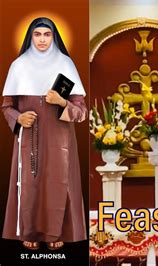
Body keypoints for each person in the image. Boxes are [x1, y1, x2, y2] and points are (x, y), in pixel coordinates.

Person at [1, 17, 87, 250]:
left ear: (53, 37)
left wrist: (60, 101)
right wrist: (18, 118)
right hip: (29, 138)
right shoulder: (19, 65)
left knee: (58, 183)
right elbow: (6, 106)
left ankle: (56, 233)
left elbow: (81, 112)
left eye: (46, 34)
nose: (41, 39)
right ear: (30, 37)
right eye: (37, 34)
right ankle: (29, 231)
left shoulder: (66, 65)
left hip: (60, 140)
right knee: (29, 183)